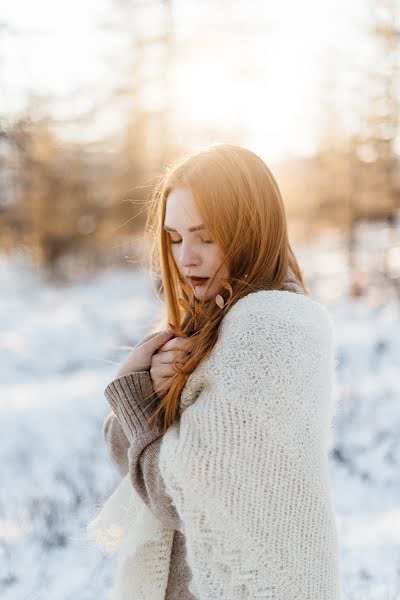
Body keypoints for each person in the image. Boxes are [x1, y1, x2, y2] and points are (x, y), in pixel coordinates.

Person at [87, 142, 342, 599]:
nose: (186, 258)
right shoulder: (212, 325)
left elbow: (182, 498)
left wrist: (136, 397)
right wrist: (148, 392)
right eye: (175, 237)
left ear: (253, 230)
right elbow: (131, 457)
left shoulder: (272, 330)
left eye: (207, 236)